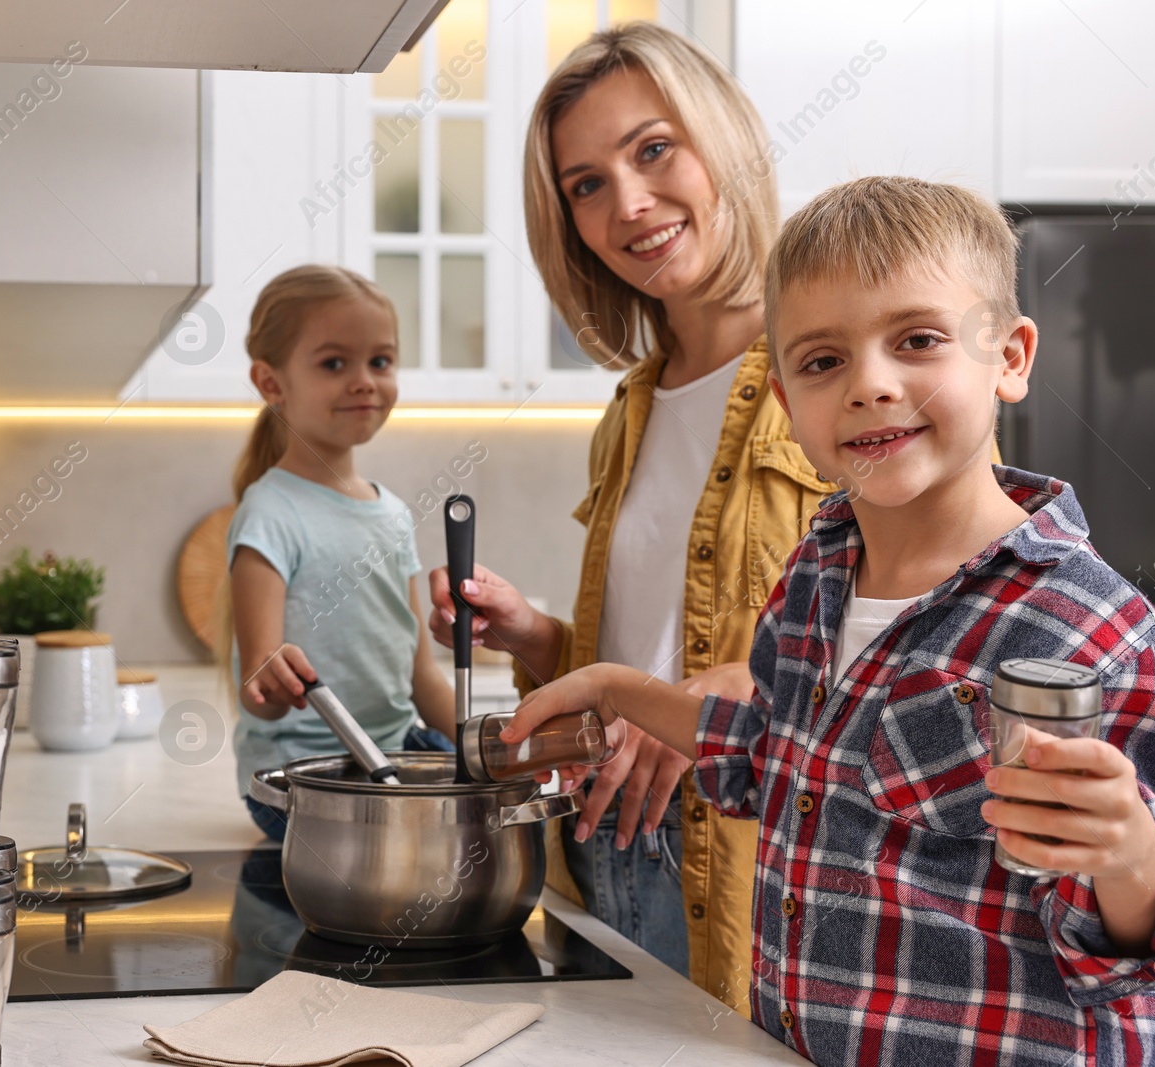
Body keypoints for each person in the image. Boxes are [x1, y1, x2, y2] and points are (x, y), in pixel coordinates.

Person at [501, 176, 1155, 1066]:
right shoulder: (816, 574)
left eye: (918, 341)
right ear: (789, 406)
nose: (870, 384)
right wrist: (614, 689)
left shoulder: (1088, 630)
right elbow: (766, 754)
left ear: (1012, 358)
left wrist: (1130, 855)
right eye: (824, 361)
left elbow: (1142, 951)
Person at [428, 23, 829, 1010]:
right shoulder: (631, 408)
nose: (628, 204)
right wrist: (534, 636)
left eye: (653, 149)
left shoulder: (842, 366)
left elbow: (947, 640)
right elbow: (635, 660)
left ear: (721, 138)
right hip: (606, 856)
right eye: (586, 184)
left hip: (755, 879)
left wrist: (725, 687)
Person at [224, 265, 455, 842]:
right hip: (300, 782)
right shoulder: (270, 512)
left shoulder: (395, 513)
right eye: (334, 364)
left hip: (398, 754)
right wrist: (273, 682)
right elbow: (260, 691)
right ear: (271, 383)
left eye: (380, 361)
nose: (364, 381)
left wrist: (494, 753)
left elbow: (421, 676)